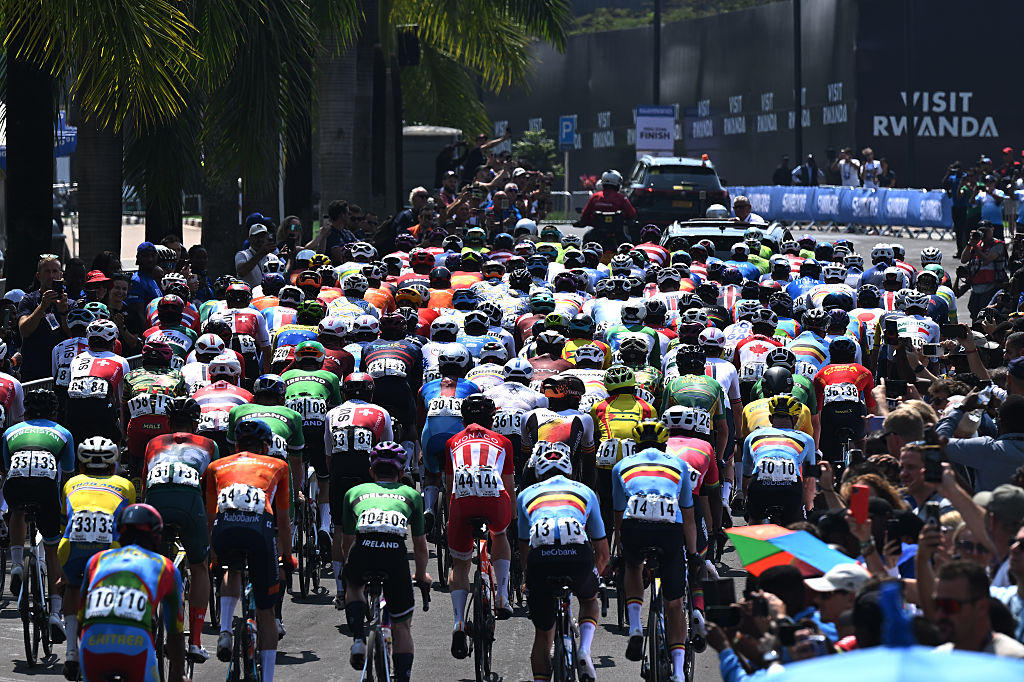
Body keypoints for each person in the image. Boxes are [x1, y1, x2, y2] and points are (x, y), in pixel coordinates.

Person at [205, 418, 292, 682]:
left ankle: (224, 631)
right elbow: (283, 520)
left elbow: (211, 518)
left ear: (235, 446)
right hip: (259, 529)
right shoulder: (279, 465)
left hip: (225, 529)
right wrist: (286, 558)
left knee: (232, 567)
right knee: (266, 612)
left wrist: (214, 555)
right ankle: (266, 677)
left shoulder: (215, 466)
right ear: (266, 446)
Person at [613, 421, 699, 682]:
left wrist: (621, 548)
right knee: (674, 605)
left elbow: (618, 514)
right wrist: (693, 555)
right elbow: (688, 515)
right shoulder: (678, 465)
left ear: (635, 445)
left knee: (633, 565)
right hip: (668, 532)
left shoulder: (621, 466)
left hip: (635, 528)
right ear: (665, 444)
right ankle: (678, 671)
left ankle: (636, 627)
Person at [517, 443, 608, 682]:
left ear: (537, 471)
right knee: (590, 601)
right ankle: (585, 651)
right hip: (578, 557)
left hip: (541, 561)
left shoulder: (525, 494)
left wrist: (529, 580)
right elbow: (602, 551)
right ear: (570, 471)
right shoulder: (586, 492)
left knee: (542, 635)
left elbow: (525, 548)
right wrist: (593, 580)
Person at [341, 442, 430, 682]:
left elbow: (347, 542)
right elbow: (420, 546)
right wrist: (422, 575)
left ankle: (359, 639)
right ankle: (402, 677)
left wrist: (349, 570)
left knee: (354, 587)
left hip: (363, 548)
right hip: (394, 554)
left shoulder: (354, 492)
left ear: (371, 471)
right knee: (402, 626)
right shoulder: (411, 495)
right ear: (401, 474)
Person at [143, 396, 218, 663]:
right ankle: (196, 642)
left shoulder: (153, 443)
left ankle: (148, 625)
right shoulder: (209, 444)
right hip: (190, 503)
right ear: (196, 423)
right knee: (199, 566)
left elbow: (144, 489)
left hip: (156, 503)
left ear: (169, 422)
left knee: (151, 564)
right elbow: (212, 492)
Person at [77, 504, 187, 682]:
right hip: (136, 651)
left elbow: (80, 617)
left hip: (93, 648)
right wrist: (178, 674)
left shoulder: (96, 560)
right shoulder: (166, 567)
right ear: (156, 537)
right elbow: (175, 631)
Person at [58, 437, 136, 678]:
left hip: (70, 549)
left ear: (82, 464)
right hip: (108, 550)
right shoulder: (126, 485)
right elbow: (129, 528)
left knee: (71, 586)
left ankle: (71, 651)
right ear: (113, 464)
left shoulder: (71, 483)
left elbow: (64, 526)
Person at [2, 389, 75, 642]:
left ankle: (18, 565)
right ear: (54, 411)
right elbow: (66, 474)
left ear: (28, 411)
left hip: (15, 484)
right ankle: (55, 613)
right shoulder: (63, 433)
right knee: (53, 549)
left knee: (17, 511)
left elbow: (6, 466)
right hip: (45, 489)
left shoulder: (10, 432)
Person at [445, 395, 515, 658]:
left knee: (460, 564)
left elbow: (448, 484)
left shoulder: (452, 442)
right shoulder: (504, 442)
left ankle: (458, 623)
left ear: (463, 420)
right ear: (492, 419)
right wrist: (513, 518)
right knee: (500, 534)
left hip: (461, 502)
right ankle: (502, 597)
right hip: (494, 500)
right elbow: (508, 485)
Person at [741, 394, 816, 525]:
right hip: (791, 490)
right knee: (795, 528)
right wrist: (808, 508)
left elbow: (746, 476)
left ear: (770, 418)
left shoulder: (752, 436)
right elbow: (810, 480)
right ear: (796, 419)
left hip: (759, 488)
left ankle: (754, 541)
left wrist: (748, 503)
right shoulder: (807, 439)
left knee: (754, 523)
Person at [933, 560, 1024, 657]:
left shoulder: (1015, 661)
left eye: (950, 606)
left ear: (981, 607)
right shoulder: (936, 659)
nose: (940, 615)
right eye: (936, 604)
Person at [17, 254, 70, 381]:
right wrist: (42, 307)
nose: (51, 276)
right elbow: (24, 330)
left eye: (55, 271)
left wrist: (63, 313)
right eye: (47, 271)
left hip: (61, 372)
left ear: (61, 275)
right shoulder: (28, 300)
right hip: (33, 371)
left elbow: (73, 334)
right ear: (38, 276)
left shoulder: (69, 302)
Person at [235, 223, 278, 288]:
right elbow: (241, 272)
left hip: (269, 297)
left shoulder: (272, 257)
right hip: (250, 296)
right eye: (257, 236)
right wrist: (261, 253)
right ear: (249, 238)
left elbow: (282, 275)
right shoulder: (242, 255)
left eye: (263, 236)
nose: (260, 239)